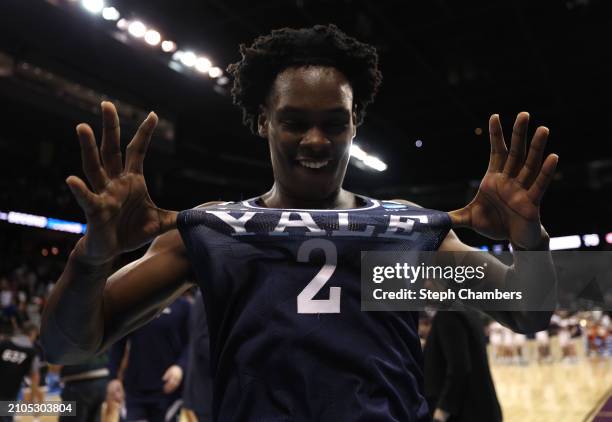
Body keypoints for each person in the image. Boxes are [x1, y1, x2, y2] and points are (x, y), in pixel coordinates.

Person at [41, 24, 558, 421]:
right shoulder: (214, 233)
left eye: (334, 123)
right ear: (265, 119)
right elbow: (67, 345)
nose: (316, 141)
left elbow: (527, 315)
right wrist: (92, 257)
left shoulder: (404, 229)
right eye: (294, 122)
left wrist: (529, 242)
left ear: (355, 123)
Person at [105, 295, 190, 422]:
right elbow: (118, 343)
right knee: (71, 411)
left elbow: (192, 344)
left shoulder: (184, 306)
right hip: (135, 392)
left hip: (168, 391)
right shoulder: (135, 304)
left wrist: (180, 367)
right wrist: (113, 378)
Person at [423, 310, 502, 422]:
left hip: (464, 412)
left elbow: (459, 367)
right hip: (481, 407)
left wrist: (443, 411)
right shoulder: (469, 311)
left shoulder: (448, 314)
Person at [0, 322, 40, 421]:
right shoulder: (31, 353)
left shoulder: (4, 344)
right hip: (8, 396)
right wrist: (32, 399)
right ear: (33, 333)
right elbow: (35, 377)